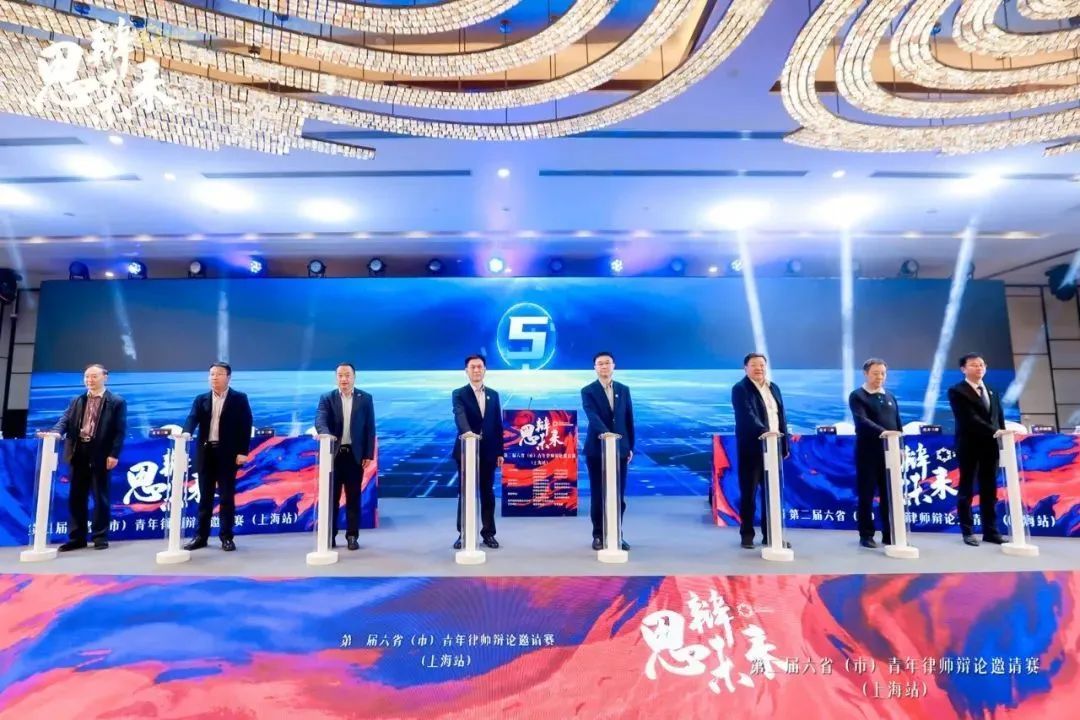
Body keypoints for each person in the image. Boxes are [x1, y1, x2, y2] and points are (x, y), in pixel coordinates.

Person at [47, 363, 127, 551]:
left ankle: (100, 536)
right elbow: (65, 420)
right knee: (76, 496)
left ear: (105, 377)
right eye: (86, 377)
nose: (89, 380)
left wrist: (114, 454)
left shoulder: (116, 401)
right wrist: (55, 433)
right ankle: (77, 538)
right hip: (78, 452)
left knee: (100, 496)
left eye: (94, 376)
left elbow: (120, 431)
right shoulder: (77, 400)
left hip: (100, 453)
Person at [182, 362, 253, 552]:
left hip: (227, 454)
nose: (214, 377)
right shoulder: (201, 399)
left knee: (226, 497)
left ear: (228, 377)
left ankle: (226, 537)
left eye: (219, 374)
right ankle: (201, 537)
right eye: (211, 374)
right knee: (204, 497)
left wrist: (243, 452)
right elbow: (192, 418)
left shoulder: (239, 398)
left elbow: (245, 425)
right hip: (206, 453)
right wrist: (186, 432)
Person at [731, 352, 790, 550]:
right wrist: (765, 432)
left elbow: (781, 418)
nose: (759, 368)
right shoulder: (740, 389)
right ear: (745, 368)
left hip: (774, 447)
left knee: (772, 494)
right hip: (752, 448)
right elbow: (747, 416)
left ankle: (771, 535)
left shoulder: (774, 388)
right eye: (754, 365)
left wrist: (784, 444)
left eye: (762, 365)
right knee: (749, 493)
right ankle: (747, 535)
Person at [315, 362, 376, 551]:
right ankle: (330, 535)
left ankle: (352, 536)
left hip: (354, 456)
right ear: (336, 378)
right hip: (333, 456)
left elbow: (370, 428)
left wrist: (368, 453)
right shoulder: (327, 398)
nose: (344, 379)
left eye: (347, 375)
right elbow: (320, 420)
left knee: (353, 498)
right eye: (340, 375)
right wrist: (326, 434)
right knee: (331, 498)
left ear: (354, 377)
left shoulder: (365, 398)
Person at [947, 352, 1006, 546]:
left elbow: (999, 418)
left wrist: (1002, 435)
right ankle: (968, 531)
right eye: (973, 365)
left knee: (990, 490)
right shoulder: (957, 391)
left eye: (981, 364)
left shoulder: (992, 390)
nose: (979, 368)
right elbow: (969, 418)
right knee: (967, 489)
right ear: (963, 369)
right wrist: (995, 431)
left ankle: (991, 531)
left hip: (991, 447)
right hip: (969, 446)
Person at [581, 351, 634, 551]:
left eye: (607, 363)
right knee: (598, 494)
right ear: (595, 367)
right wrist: (607, 434)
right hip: (597, 450)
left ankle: (617, 534)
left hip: (620, 450)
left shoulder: (623, 389)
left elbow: (628, 419)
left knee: (618, 495)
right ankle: (598, 535)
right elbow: (592, 416)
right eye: (600, 363)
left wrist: (629, 446)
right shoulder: (588, 391)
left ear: (614, 366)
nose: (604, 366)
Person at [848, 358, 903, 549]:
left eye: (883, 373)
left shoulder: (889, 396)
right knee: (867, 494)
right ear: (865, 374)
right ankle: (866, 534)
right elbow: (861, 421)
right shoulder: (857, 396)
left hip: (890, 452)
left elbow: (897, 424)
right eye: (875, 373)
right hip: (868, 452)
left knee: (889, 495)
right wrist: (884, 433)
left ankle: (889, 533)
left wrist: (899, 446)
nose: (879, 377)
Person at [451, 355, 503, 549]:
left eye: (479, 366)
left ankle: (488, 533)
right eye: (472, 367)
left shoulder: (493, 395)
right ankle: (463, 534)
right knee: (465, 493)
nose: (476, 370)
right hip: (466, 451)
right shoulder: (459, 393)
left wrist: (500, 451)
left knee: (487, 493)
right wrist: (467, 433)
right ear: (466, 371)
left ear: (485, 369)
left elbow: (497, 425)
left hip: (488, 452)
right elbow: (459, 415)